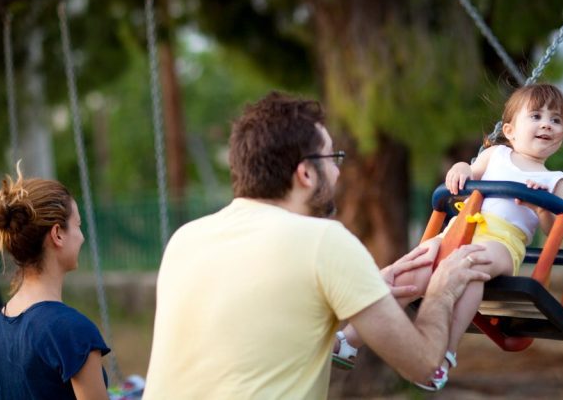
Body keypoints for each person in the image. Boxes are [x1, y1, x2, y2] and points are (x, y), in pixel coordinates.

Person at [142, 91, 493, 399]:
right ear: (306, 174)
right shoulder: (324, 242)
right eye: (332, 159)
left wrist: (371, 290)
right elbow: (426, 367)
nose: (339, 173)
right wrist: (442, 291)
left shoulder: (186, 238)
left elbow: (278, 343)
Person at [337, 83, 563, 390]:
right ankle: (349, 340)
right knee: (413, 269)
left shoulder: (556, 181)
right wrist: (459, 169)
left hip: (502, 242)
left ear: (562, 134)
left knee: (469, 268)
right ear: (511, 131)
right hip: (461, 228)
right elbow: (470, 169)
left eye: (556, 120)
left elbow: (558, 228)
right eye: (537, 115)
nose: (546, 124)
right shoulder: (495, 154)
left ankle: (445, 355)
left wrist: (540, 208)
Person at [0, 165, 111, 399]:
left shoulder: (1, 322)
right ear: (58, 234)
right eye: (78, 226)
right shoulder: (71, 331)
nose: (81, 237)